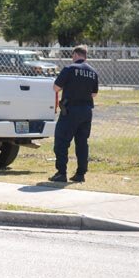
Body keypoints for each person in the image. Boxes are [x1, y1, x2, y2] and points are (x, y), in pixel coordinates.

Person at [48, 44, 99, 184]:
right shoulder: (93, 72)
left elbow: (56, 88)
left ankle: (61, 173)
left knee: (61, 142)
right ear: (85, 56)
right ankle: (80, 174)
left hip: (70, 111)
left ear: (76, 54)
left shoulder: (69, 69)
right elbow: (94, 94)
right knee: (82, 143)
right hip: (86, 111)